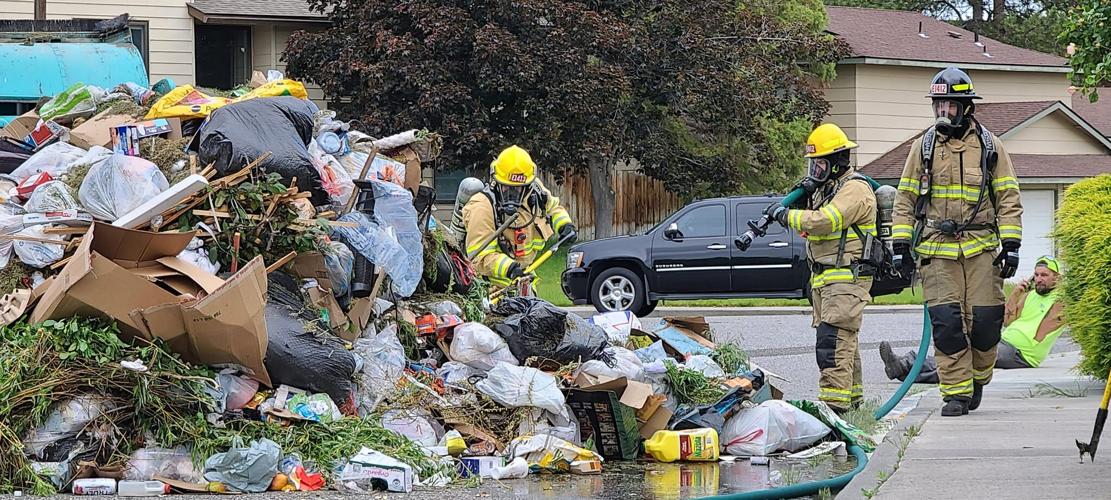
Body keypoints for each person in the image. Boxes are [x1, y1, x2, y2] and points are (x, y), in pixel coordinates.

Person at [891, 67, 1024, 417]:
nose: (943, 113)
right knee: (948, 325)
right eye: (938, 105)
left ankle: (978, 378)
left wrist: (1011, 245)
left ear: (966, 107)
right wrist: (901, 246)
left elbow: (1008, 197)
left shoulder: (991, 147)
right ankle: (955, 395)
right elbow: (905, 199)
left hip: (981, 248)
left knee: (985, 323)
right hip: (937, 248)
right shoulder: (923, 147)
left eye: (950, 106)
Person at [765, 123, 876, 413]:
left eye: (821, 164)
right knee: (844, 341)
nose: (815, 170)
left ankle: (834, 408)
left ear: (839, 162)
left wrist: (788, 215)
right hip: (827, 279)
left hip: (847, 277)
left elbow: (824, 221)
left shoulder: (854, 190)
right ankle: (852, 404)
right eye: (813, 165)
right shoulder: (828, 189)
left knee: (832, 342)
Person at [880, 255, 1066, 382]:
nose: (1039, 279)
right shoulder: (1030, 295)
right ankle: (905, 369)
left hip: (1022, 353)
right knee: (960, 352)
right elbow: (1008, 321)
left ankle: (907, 364)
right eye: (1037, 275)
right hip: (1005, 341)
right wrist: (1016, 294)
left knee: (966, 359)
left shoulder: (1061, 300)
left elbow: (1047, 328)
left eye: (1045, 275)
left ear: (1057, 277)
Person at [462, 145, 576, 288]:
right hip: (491, 288)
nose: (512, 194)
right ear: (496, 181)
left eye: (517, 188)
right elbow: (479, 257)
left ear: (528, 185)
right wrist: (509, 268)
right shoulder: (481, 207)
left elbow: (553, 207)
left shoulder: (535, 191)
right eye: (506, 187)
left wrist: (565, 225)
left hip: (524, 279)